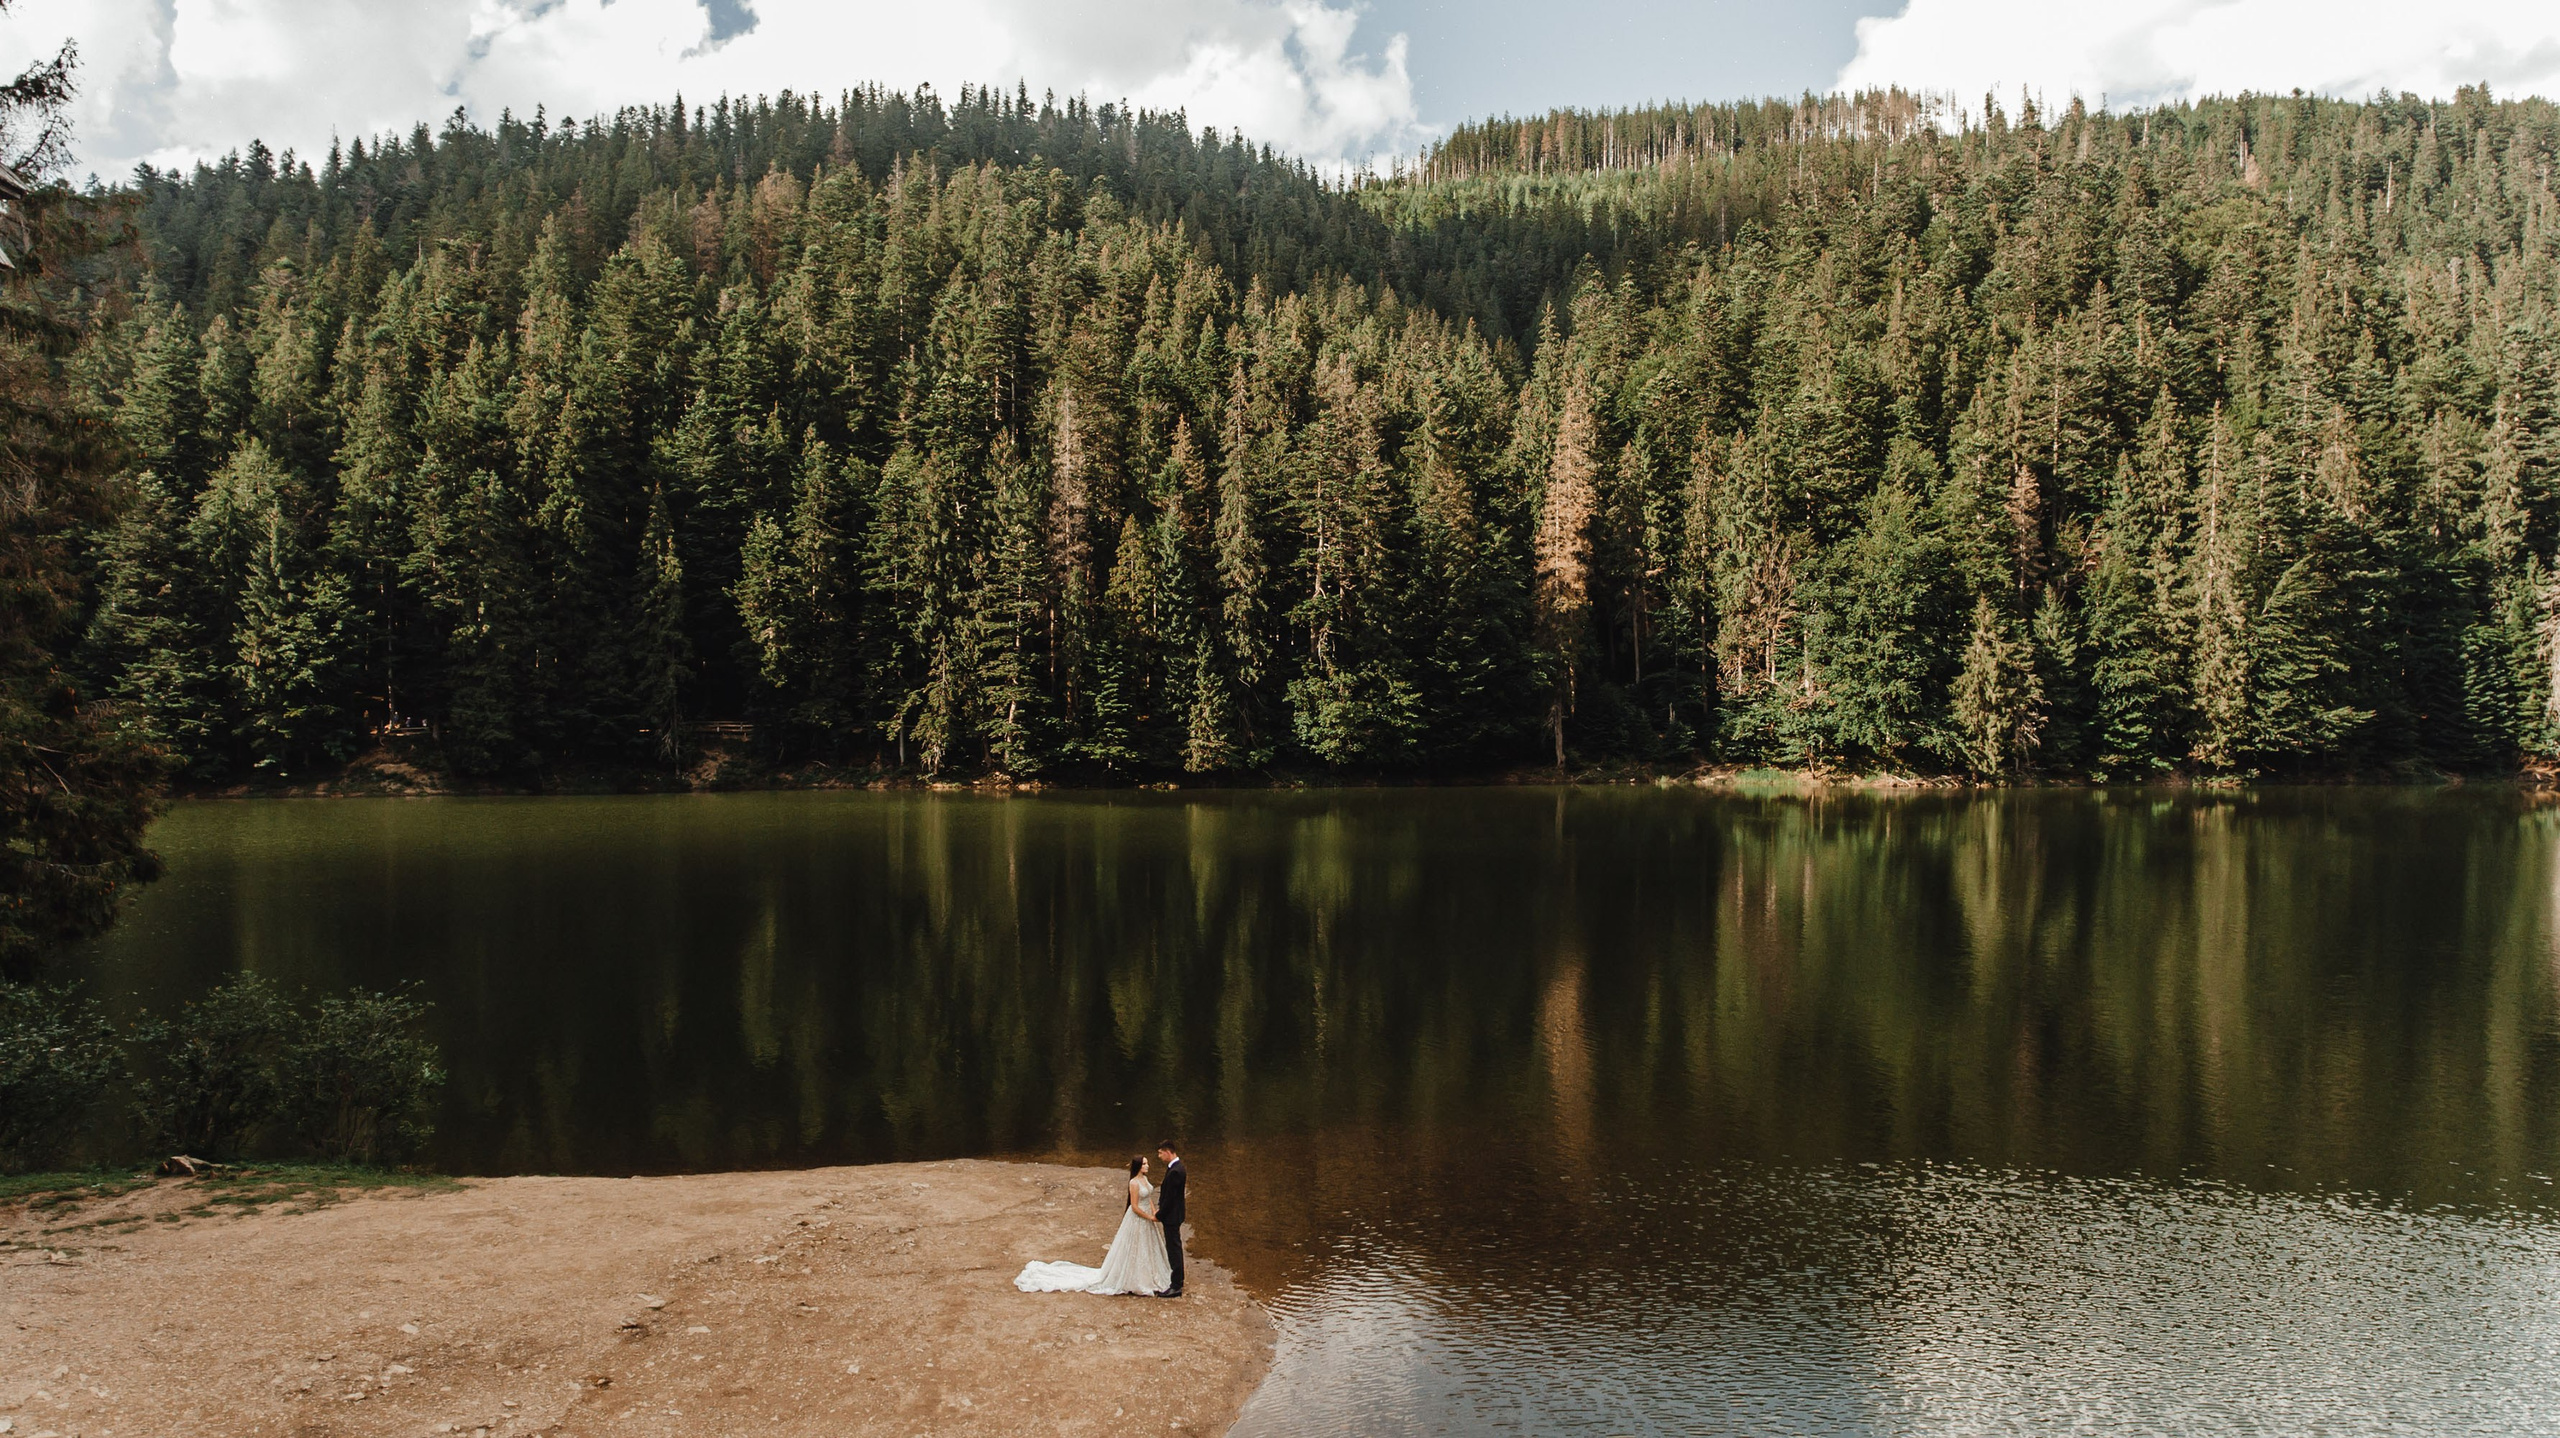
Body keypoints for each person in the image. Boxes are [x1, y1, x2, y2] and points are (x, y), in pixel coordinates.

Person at [1013, 1156, 1172, 1297]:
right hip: (1138, 1219)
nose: (1147, 1166)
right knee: (1135, 1248)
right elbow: (1135, 1206)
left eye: (1147, 1163)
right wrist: (1149, 1217)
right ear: (1138, 1166)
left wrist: (1155, 1212)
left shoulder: (1144, 1179)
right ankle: (1133, 1279)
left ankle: (1149, 1274)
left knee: (1148, 1248)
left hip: (1147, 1218)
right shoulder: (1134, 1183)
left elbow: (1148, 1198)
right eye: (1144, 1164)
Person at [1154, 1140, 1185, 1298]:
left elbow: (1171, 1199)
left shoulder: (1175, 1172)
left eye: (1160, 1153)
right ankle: (1176, 1280)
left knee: (1174, 1249)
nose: (1159, 1156)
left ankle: (1177, 1285)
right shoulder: (1175, 1168)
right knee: (1173, 1247)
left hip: (1171, 1216)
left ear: (1168, 1151)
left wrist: (1159, 1215)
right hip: (1174, 1215)